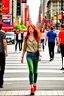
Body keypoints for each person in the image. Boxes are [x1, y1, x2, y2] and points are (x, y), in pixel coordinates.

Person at [21, 24, 40, 95]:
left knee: (35, 71)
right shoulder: (26, 38)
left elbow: (39, 47)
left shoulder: (37, 37)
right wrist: (22, 57)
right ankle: (31, 87)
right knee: (31, 70)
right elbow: (24, 48)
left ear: (34, 29)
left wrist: (40, 55)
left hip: (36, 55)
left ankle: (35, 83)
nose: (30, 30)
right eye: (29, 29)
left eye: (32, 29)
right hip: (28, 55)